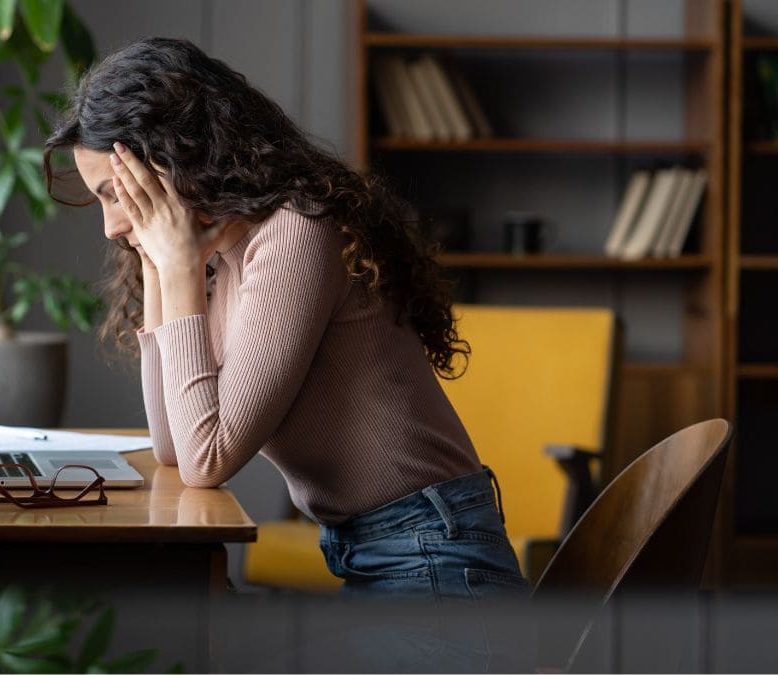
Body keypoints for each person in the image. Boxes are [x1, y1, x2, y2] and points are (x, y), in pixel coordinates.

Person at [44, 37, 531, 670]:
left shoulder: (295, 232)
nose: (110, 225)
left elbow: (207, 459)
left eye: (116, 193)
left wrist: (179, 265)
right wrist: (163, 267)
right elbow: (171, 444)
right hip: (385, 565)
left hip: (438, 570)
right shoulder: (224, 256)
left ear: (174, 157)